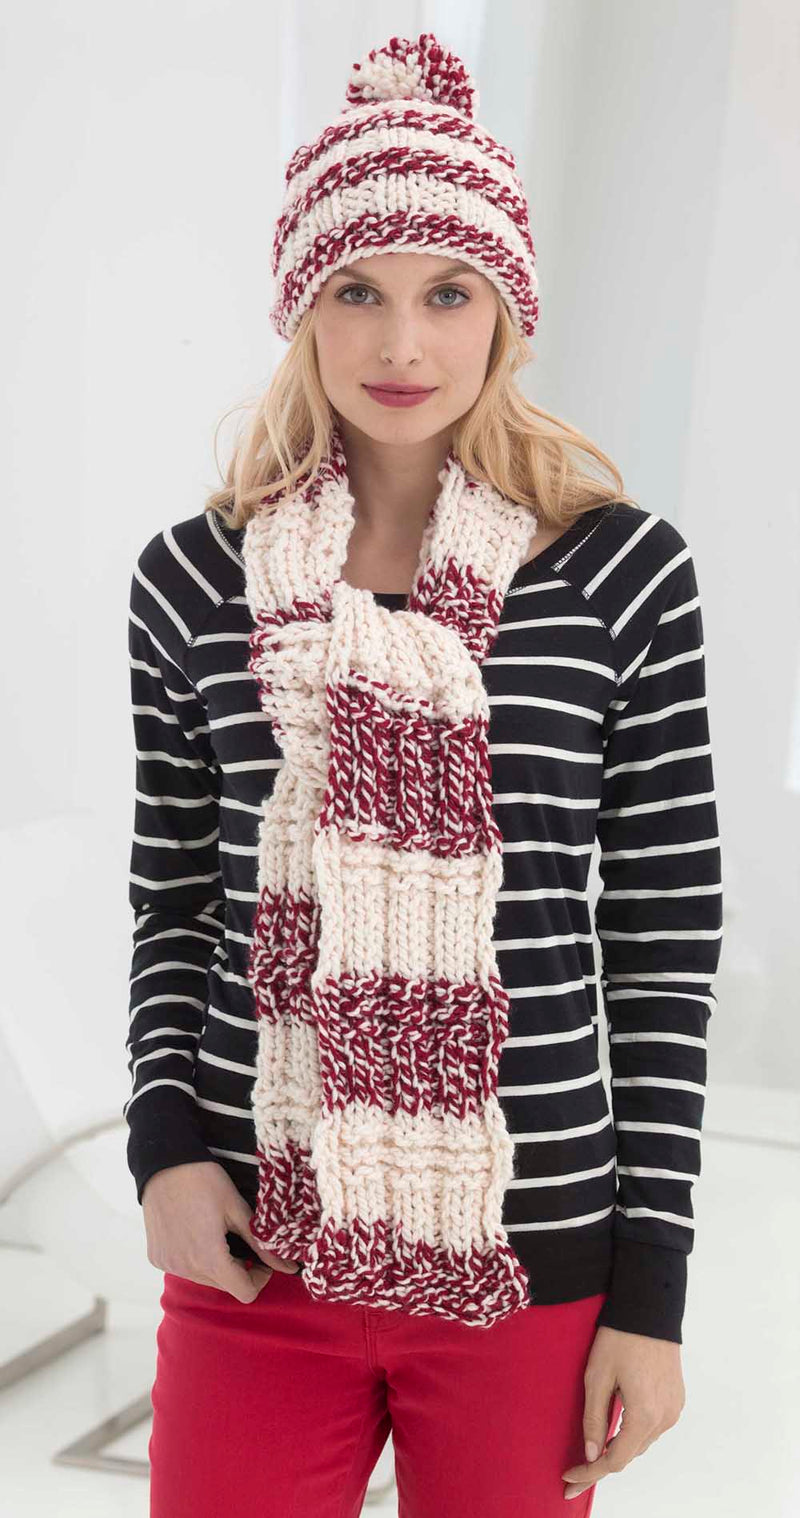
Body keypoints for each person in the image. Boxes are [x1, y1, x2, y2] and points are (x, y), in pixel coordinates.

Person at [125, 32, 723, 1518]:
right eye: (358, 291)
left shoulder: (619, 573)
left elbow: (659, 943)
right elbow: (175, 902)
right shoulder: (193, 580)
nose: (403, 344)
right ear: (303, 309)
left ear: (505, 310)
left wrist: (652, 1290)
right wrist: (163, 1151)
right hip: (256, 1231)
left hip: (532, 1239)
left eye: (448, 293)